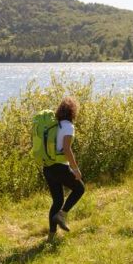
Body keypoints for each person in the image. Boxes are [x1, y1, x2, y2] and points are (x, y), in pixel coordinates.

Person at [43, 96, 84, 238]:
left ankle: (51, 236)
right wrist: (75, 169)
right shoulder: (68, 126)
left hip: (48, 167)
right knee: (80, 189)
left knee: (58, 200)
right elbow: (67, 149)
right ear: (73, 111)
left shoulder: (54, 126)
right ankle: (62, 215)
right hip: (60, 167)